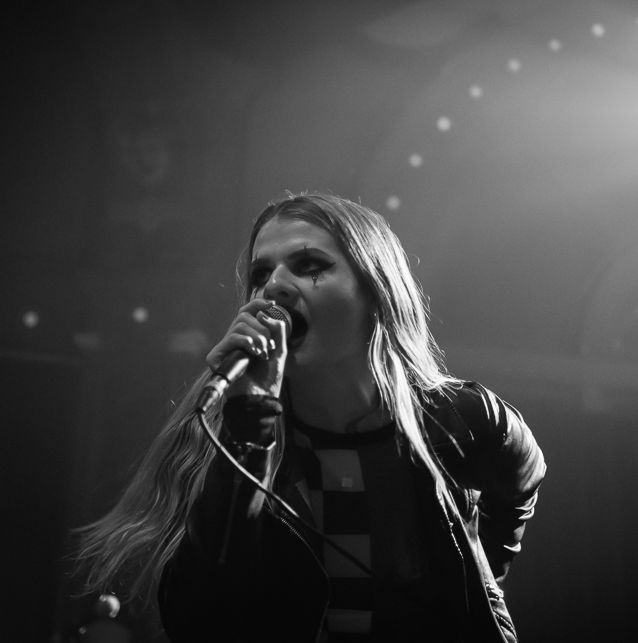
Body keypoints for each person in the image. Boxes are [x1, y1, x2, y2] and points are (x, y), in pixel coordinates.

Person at [75, 191, 546, 642]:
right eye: (261, 274)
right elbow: (200, 622)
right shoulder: (235, 437)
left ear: (375, 289)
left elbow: (524, 477)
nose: (275, 286)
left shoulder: (465, 418)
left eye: (308, 266)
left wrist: (481, 577)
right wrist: (248, 423)